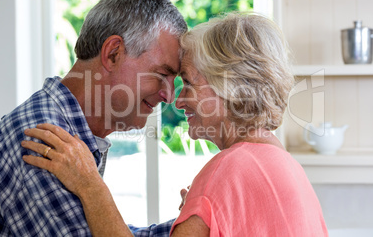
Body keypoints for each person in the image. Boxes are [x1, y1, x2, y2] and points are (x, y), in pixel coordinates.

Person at [22, 12, 328, 236]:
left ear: (230, 87)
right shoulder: (284, 164)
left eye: (189, 83)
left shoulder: (230, 169)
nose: (177, 101)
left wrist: (91, 186)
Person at [0, 0, 187, 236]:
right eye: (162, 74)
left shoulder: (69, 135)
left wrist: (195, 223)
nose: (169, 96)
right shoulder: (43, 137)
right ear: (113, 53)